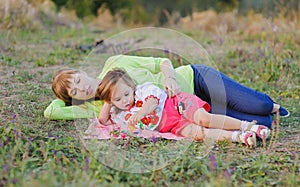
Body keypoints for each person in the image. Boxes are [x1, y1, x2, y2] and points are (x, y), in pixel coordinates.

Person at [45, 54, 289, 128]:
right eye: (74, 91)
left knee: (262, 107)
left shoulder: (115, 62)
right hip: (189, 108)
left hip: (195, 78)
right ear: (74, 99)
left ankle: (273, 105)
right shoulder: (98, 108)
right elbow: (51, 111)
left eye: (77, 79)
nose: (81, 86)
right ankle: (266, 117)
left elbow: (161, 61)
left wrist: (170, 77)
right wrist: (64, 100)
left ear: (82, 71)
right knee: (263, 123)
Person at [97, 69, 271, 147]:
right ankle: (240, 137)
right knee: (199, 134)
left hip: (178, 105)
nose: (125, 100)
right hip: (172, 125)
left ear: (132, 87)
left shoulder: (142, 90)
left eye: (126, 94)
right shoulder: (120, 113)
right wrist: (109, 100)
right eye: (118, 99)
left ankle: (249, 126)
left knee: (205, 119)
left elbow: (153, 103)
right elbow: (103, 121)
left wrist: (141, 112)